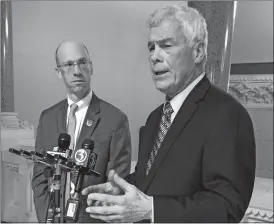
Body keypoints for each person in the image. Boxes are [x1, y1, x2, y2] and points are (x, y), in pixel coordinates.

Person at [82, 4, 256, 223]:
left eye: (166, 46)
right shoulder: (155, 118)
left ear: (198, 51)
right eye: (151, 47)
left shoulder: (228, 115)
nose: (154, 56)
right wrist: (124, 190)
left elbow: (227, 207)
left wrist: (152, 211)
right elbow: (152, 179)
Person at [32, 41, 132, 223]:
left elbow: (116, 185)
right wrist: (47, 219)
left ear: (91, 67)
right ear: (58, 72)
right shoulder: (47, 118)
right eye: (69, 65)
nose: (77, 71)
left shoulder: (115, 120)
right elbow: (40, 178)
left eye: (82, 62)